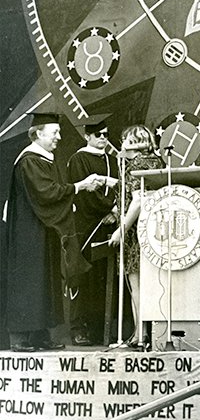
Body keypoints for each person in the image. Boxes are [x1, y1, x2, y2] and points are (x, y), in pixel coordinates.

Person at [4, 111, 104, 352]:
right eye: (55, 132)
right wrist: (79, 187)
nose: (59, 137)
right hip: (28, 232)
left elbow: (53, 191)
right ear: (38, 134)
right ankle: (20, 338)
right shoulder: (29, 160)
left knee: (44, 279)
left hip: (43, 227)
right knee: (29, 280)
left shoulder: (45, 158)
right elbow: (46, 193)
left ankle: (39, 335)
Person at [109, 125, 163, 347]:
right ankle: (143, 333)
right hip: (154, 230)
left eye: (125, 140)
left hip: (136, 232)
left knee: (136, 284)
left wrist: (121, 229)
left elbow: (138, 200)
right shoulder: (157, 162)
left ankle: (140, 335)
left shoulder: (136, 165)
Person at [67, 114, 118, 346]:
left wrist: (116, 212)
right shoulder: (78, 159)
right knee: (83, 276)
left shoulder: (112, 160)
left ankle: (100, 329)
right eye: (99, 135)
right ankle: (79, 328)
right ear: (87, 136)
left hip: (109, 224)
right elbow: (86, 194)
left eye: (107, 135)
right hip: (87, 224)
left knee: (102, 278)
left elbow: (120, 187)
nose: (103, 139)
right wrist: (107, 209)